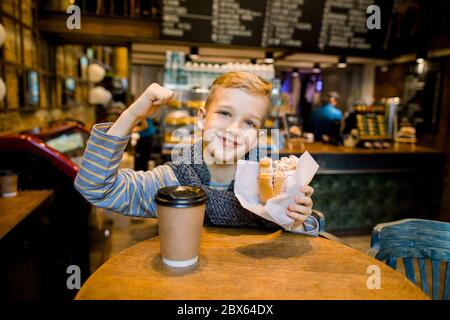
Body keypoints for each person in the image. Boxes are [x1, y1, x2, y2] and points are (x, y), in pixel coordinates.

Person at [74, 72, 315, 233]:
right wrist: (131, 116)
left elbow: (308, 229)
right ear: (201, 118)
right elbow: (96, 187)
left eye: (249, 123)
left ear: (258, 136)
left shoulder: (271, 187)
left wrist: (297, 222)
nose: (233, 130)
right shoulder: (171, 182)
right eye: (224, 113)